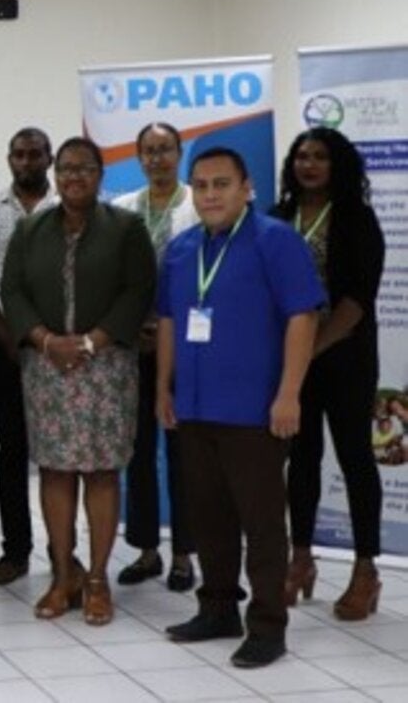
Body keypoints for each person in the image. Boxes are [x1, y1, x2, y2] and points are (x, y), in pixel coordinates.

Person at [158, 147, 323, 669]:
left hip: (255, 410)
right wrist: (163, 387)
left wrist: (290, 392)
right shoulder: (182, 249)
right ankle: (218, 608)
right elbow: (167, 321)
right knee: (208, 517)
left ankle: (268, 625)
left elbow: (303, 316)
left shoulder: (277, 241)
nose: (210, 194)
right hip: (195, 407)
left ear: (246, 188)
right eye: (201, 185)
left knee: (262, 523)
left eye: (221, 184)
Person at [0, 138, 155, 627]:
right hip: (47, 368)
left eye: (84, 169)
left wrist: (91, 343)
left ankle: (98, 580)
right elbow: (12, 290)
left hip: (106, 367)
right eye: (65, 169)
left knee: (103, 473)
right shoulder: (29, 230)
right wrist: (47, 342)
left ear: (100, 174)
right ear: (55, 173)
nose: (73, 177)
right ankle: (63, 574)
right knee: (54, 471)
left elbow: (138, 290)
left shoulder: (126, 228)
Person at [271, 127, 385, 621]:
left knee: (356, 457)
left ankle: (365, 570)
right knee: (301, 459)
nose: (309, 165)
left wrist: (313, 348)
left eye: (319, 157)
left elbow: (358, 299)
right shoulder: (278, 218)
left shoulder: (358, 220)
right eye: (301, 156)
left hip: (344, 356)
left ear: (337, 164)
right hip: (291, 359)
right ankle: (300, 559)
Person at [0, 127, 57, 585]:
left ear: (49, 157)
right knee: (12, 450)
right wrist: (12, 341)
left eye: (35, 154)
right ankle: (15, 551)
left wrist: (46, 341)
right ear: (9, 159)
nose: (26, 161)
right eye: (18, 154)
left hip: (60, 350)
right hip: (1, 349)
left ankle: (65, 553)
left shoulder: (69, 209)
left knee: (62, 455)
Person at [111, 123, 199, 593]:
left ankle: (185, 554)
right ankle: (147, 551)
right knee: (138, 452)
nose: (156, 158)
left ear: (179, 154)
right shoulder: (124, 209)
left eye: (165, 150)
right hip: (133, 345)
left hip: (186, 347)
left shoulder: (196, 205)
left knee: (184, 452)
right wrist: (134, 329)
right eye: (148, 150)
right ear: (138, 156)